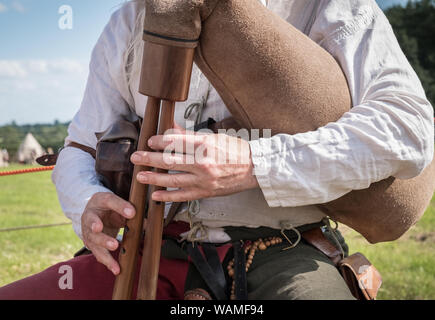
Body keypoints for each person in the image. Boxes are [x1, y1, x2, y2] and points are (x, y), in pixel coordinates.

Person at [0, 0, 433, 300]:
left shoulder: (328, 6)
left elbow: (407, 124)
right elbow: (78, 145)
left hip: (283, 247)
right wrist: (87, 201)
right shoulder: (128, 19)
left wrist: (254, 164)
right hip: (151, 246)